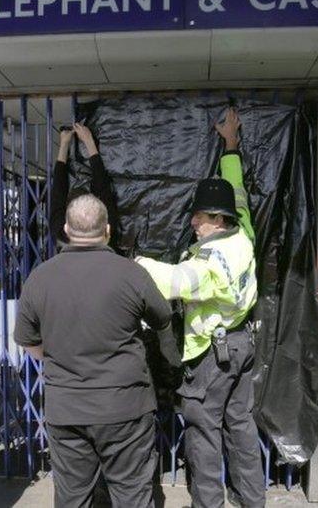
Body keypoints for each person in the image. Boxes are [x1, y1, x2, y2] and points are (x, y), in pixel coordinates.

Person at [15, 194, 180, 508]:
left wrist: (58, 357)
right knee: (132, 496)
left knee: (73, 498)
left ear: (65, 228)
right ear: (107, 231)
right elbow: (162, 318)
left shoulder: (39, 278)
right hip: (125, 409)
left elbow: (28, 341)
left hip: (67, 410)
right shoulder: (131, 273)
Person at [135, 108, 264, 507]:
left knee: (203, 432)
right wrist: (230, 144)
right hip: (242, 346)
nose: (193, 223)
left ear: (216, 219)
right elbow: (237, 189)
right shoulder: (243, 233)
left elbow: (176, 281)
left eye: (199, 217)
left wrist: (131, 265)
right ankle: (251, 502)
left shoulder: (210, 264)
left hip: (213, 356)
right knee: (240, 426)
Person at [50, 122, 122, 250]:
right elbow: (103, 187)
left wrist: (65, 145)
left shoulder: (61, 237)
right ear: (107, 229)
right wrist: (88, 141)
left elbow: (58, 193)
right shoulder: (61, 234)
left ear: (67, 228)